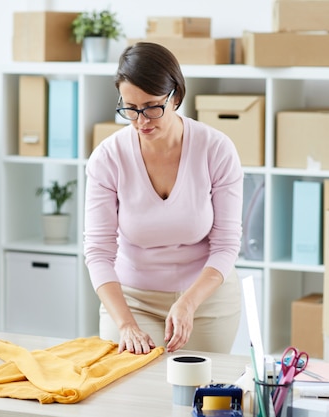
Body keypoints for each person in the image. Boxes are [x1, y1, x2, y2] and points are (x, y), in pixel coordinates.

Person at [83, 42, 244, 355]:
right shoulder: (107, 158)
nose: (142, 120)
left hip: (206, 299)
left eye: (152, 107)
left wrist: (188, 303)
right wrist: (126, 323)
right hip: (132, 300)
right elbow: (98, 252)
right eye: (130, 109)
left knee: (204, 395)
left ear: (176, 97)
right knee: (128, 392)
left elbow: (226, 245)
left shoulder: (216, 150)